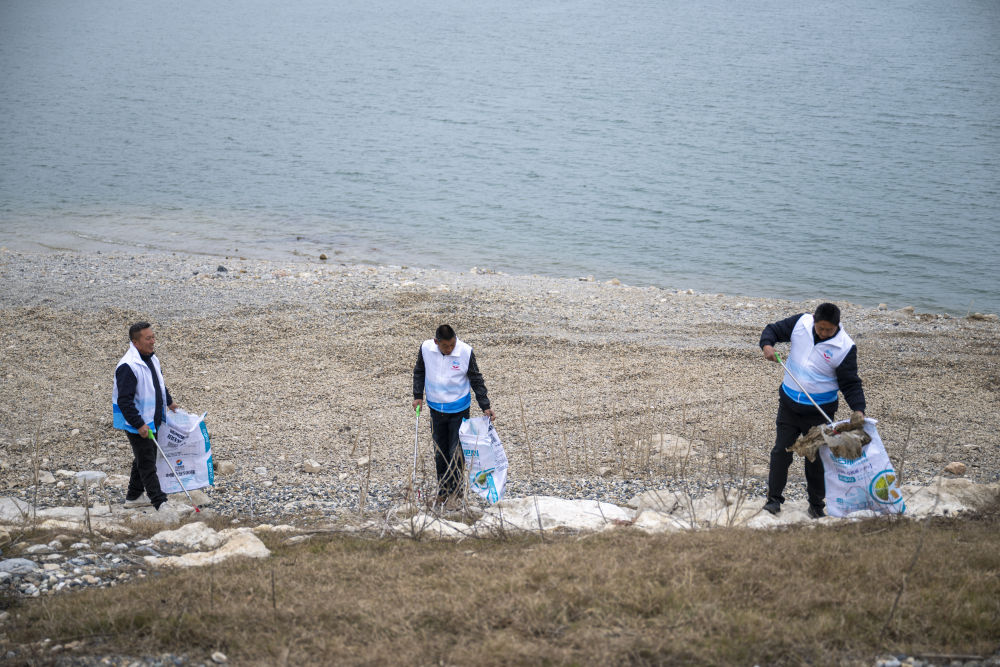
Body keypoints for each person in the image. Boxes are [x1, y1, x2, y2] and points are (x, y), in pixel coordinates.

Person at [759, 302, 865, 518]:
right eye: (820, 328)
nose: (824, 333)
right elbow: (773, 330)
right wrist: (767, 345)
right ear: (814, 321)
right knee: (781, 452)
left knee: (815, 459)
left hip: (819, 411)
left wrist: (859, 409)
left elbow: (851, 383)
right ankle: (773, 500)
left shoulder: (845, 347)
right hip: (789, 404)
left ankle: (816, 505)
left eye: (829, 329)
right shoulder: (801, 323)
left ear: (837, 326)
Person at [412, 324, 495, 508]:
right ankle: (442, 492)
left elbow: (476, 379)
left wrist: (485, 406)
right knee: (439, 453)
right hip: (436, 409)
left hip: (458, 410)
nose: (449, 349)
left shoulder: (465, 351)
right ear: (436, 342)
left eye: (452, 345)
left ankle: (456, 494)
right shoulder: (426, 349)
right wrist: (418, 395)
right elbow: (419, 371)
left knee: (456, 453)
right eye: (445, 346)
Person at [112, 322, 179, 512]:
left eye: (153, 337)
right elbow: (124, 401)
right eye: (148, 338)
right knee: (147, 461)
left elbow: (158, 382)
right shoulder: (128, 366)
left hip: (153, 418)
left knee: (143, 457)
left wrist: (169, 401)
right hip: (136, 422)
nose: (152, 341)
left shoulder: (151, 357)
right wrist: (139, 424)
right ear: (135, 341)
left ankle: (133, 496)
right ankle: (159, 502)